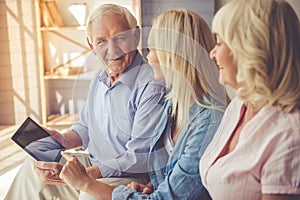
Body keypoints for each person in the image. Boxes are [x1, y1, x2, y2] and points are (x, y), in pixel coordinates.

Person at [58, 9, 228, 199]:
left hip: (125, 174)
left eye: (153, 49)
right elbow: (165, 176)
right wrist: (149, 186)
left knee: (89, 194)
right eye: (102, 41)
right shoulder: (174, 106)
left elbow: (166, 194)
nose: (148, 57)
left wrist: (86, 182)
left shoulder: (207, 122)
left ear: (173, 57)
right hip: (115, 169)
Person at [4, 3, 166, 200]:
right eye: (102, 42)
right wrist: (63, 139)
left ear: (135, 36)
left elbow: (139, 158)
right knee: (31, 172)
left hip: (132, 176)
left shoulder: (151, 84)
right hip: (95, 163)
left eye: (120, 38)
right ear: (92, 46)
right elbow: (86, 127)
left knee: (89, 193)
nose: (112, 50)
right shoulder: (99, 78)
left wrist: (87, 177)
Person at [199, 0, 300, 199]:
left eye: (219, 43)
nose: (212, 54)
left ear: (249, 49)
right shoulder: (239, 105)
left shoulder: (290, 134)